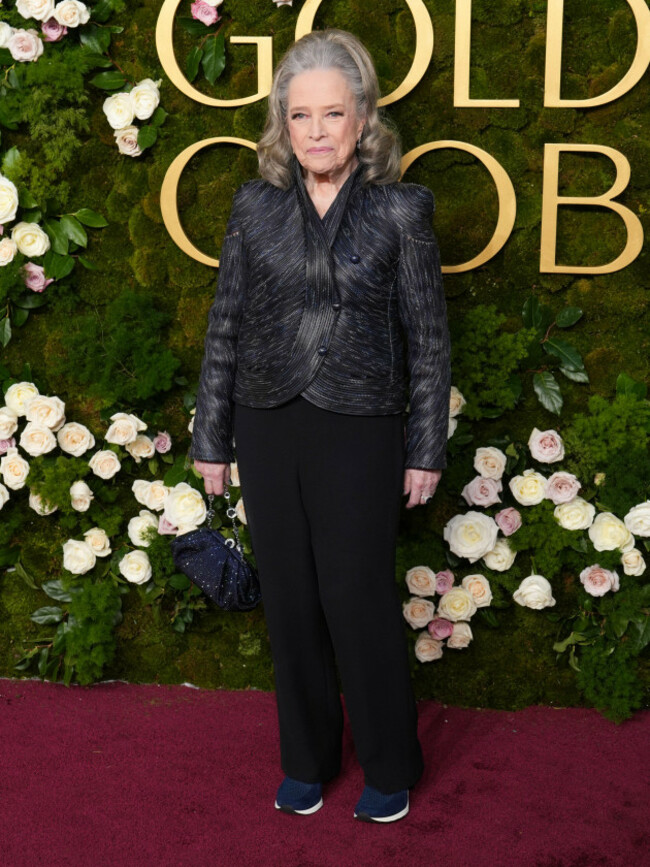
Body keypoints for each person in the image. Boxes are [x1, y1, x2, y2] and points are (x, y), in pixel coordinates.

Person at [189, 28, 451, 824]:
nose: (316, 131)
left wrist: (425, 447)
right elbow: (225, 322)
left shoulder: (402, 210)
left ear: (364, 119)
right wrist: (211, 438)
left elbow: (430, 336)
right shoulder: (254, 205)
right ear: (282, 124)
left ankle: (389, 762)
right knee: (292, 602)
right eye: (300, 116)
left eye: (332, 114)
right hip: (268, 425)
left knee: (357, 596)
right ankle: (305, 758)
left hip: (360, 428)